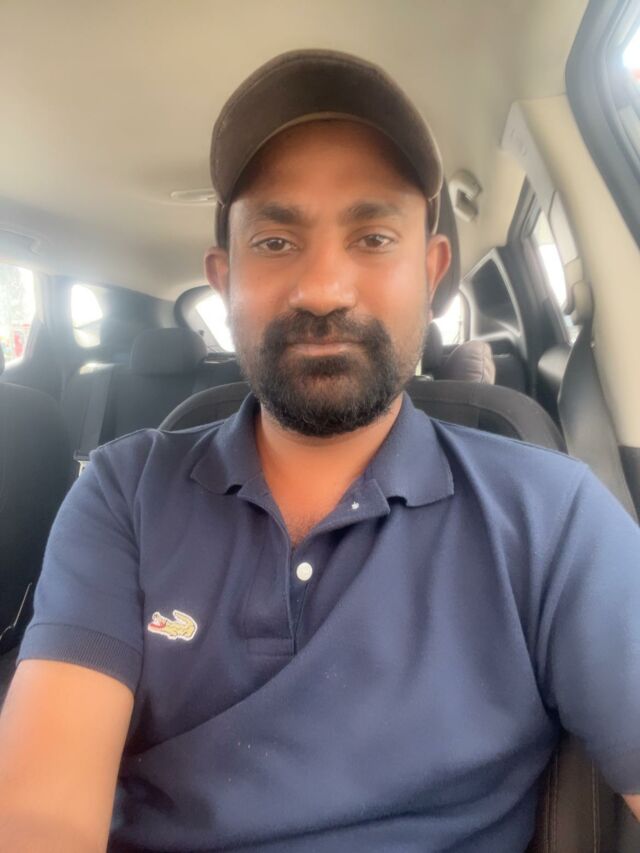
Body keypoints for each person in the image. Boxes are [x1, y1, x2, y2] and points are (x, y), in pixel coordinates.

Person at [0, 49, 639, 853]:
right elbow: (41, 815)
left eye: (373, 237)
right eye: (275, 241)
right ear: (224, 278)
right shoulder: (122, 494)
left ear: (432, 271)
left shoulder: (554, 517)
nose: (324, 289)